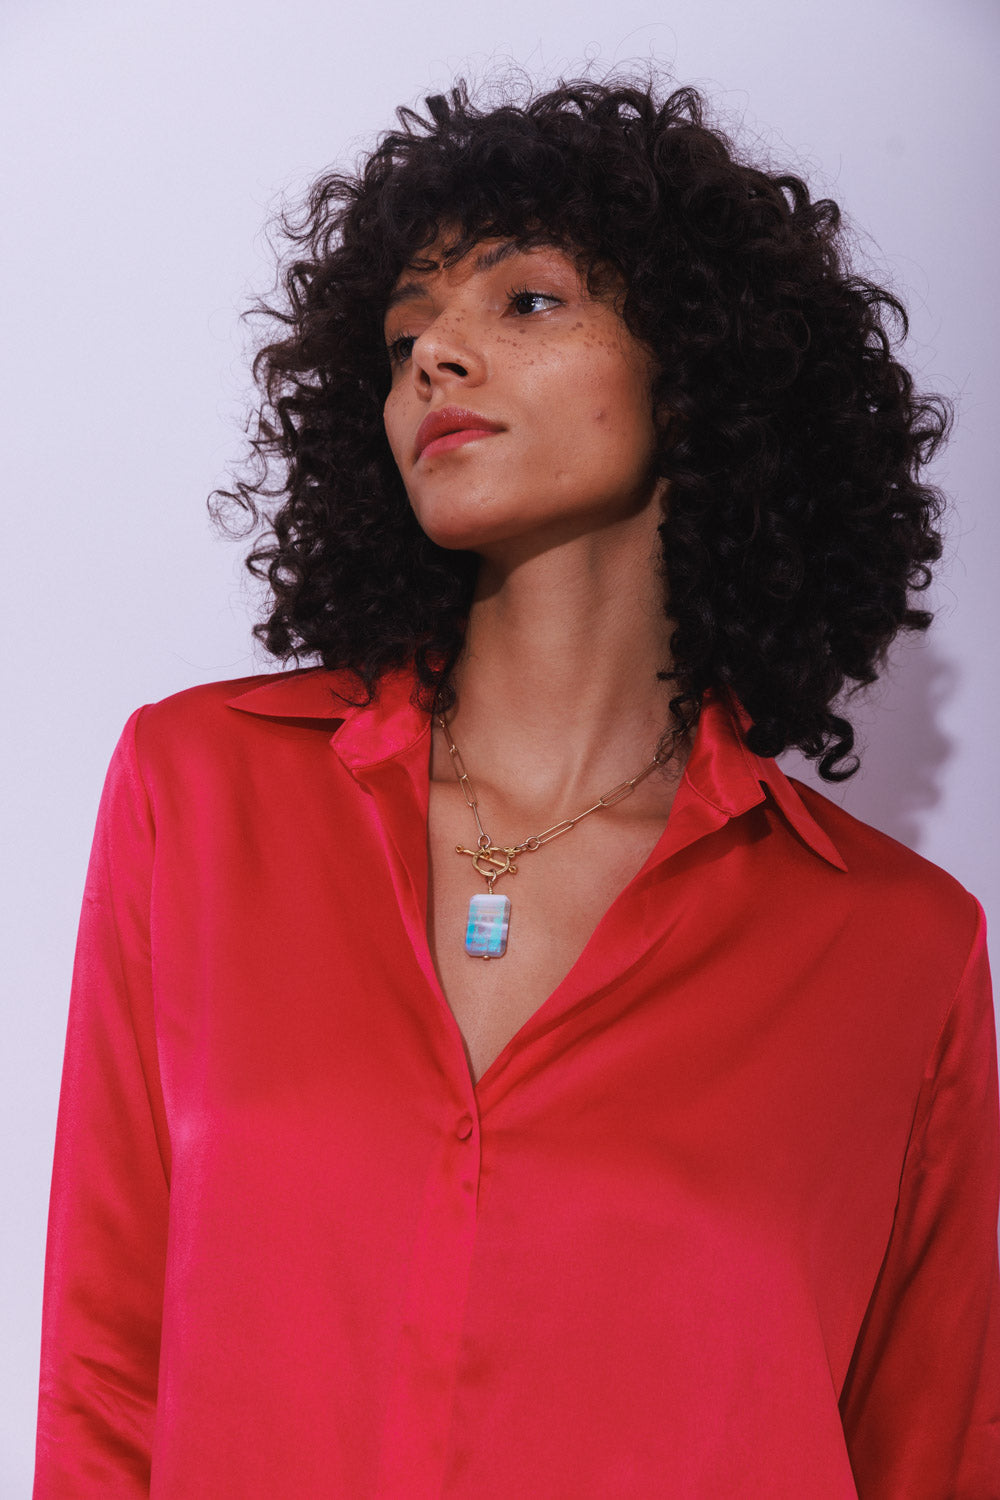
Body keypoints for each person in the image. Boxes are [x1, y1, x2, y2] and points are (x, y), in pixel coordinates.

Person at [34, 76, 999, 1498]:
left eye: (527, 302)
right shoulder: (203, 791)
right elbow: (107, 1375)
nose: (437, 356)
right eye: (408, 329)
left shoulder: (898, 949)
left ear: (700, 368)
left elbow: (931, 1451)